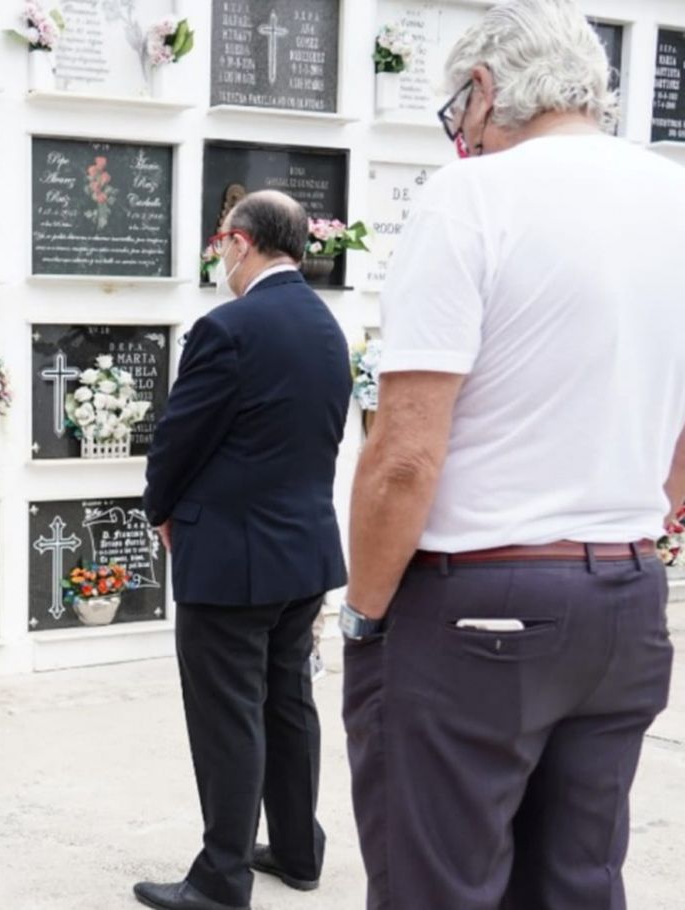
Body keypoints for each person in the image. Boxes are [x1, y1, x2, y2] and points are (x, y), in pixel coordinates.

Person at [342, 2, 685, 907]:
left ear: (486, 91)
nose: (463, 137)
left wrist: (364, 614)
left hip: (478, 606)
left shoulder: (471, 198)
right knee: (576, 882)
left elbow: (406, 454)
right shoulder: (676, 200)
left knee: (438, 885)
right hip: (628, 598)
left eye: (458, 114)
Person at [136, 190, 350, 910]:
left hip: (231, 554)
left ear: (242, 242)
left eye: (223, 241)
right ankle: (297, 850)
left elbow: (179, 436)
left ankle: (221, 876)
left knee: (228, 713)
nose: (221, 255)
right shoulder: (328, 326)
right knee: (288, 701)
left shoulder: (228, 327)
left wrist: (161, 509)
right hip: (304, 553)